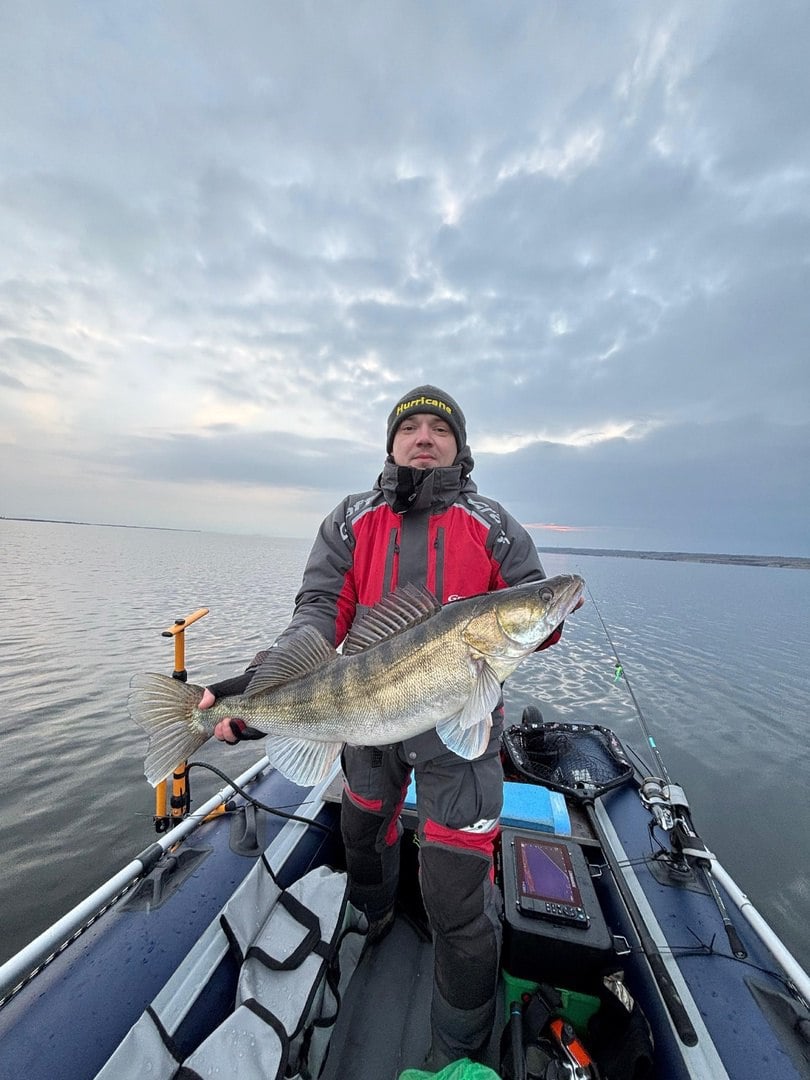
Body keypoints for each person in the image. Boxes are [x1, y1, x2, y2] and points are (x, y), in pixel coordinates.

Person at [199, 384, 575, 1069]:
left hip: (458, 724)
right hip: (365, 716)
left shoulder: (491, 523)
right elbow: (318, 612)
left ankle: (457, 1043)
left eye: (440, 427)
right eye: (412, 427)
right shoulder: (350, 520)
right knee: (361, 828)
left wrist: (547, 610)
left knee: (458, 889)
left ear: (460, 445)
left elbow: (534, 604)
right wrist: (251, 691)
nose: (424, 436)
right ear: (391, 443)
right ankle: (368, 919)